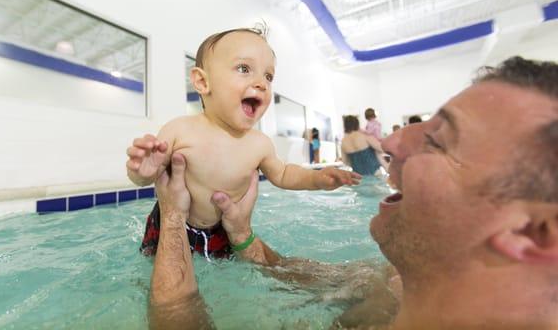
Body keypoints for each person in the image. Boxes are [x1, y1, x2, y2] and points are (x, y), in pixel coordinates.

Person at [147, 56, 558, 329]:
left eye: (439, 141)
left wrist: (174, 218)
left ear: (534, 234)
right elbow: (293, 273)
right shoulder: (394, 284)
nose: (393, 143)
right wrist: (242, 236)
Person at [126, 26, 360, 258]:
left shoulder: (259, 144)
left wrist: (316, 179)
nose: (261, 83)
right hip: (169, 226)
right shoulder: (179, 129)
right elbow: (149, 177)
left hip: (222, 232)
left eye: (268, 76)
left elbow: (284, 174)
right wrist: (142, 172)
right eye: (244, 68)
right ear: (202, 82)